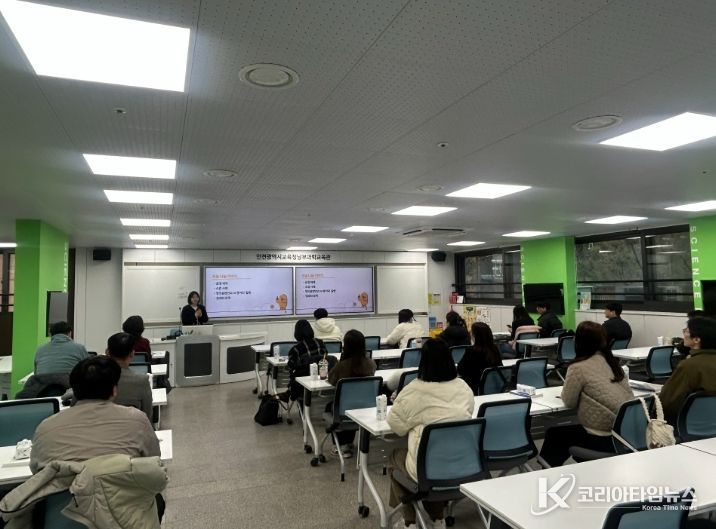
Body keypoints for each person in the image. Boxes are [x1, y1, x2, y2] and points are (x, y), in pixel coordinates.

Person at [387, 339, 474, 528]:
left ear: (423, 362)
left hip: (427, 469)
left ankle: (409, 522)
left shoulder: (414, 390)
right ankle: (437, 518)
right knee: (434, 461)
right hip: (464, 463)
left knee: (396, 458)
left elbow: (396, 426)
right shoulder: (463, 387)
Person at [30, 356, 160, 473]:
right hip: (123, 491)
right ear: (114, 390)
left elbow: (36, 471)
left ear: (74, 391)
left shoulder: (45, 428)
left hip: (63, 492)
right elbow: (153, 462)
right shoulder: (137, 420)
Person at [538, 321, 634, 467]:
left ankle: (548, 473)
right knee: (567, 431)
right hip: (627, 435)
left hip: (605, 438)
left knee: (554, 434)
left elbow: (569, 402)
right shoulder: (613, 364)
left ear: (579, 342)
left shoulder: (578, 367)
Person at [326, 330, 377, 458]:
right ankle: (348, 443)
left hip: (344, 412)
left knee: (332, 406)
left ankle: (341, 445)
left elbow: (331, 380)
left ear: (346, 347)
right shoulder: (371, 363)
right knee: (352, 403)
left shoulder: (341, 366)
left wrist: (341, 360)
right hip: (366, 409)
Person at [659, 316, 716, 425]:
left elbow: (667, 402)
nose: (684, 333)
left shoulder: (688, 366)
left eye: (687, 331)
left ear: (696, 340)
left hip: (691, 425)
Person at [17, 321, 90, 398]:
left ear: (51, 334)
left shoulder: (40, 350)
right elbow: (87, 371)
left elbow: (36, 372)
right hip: (68, 389)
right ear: (69, 333)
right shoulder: (79, 348)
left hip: (41, 391)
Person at [106, 332, 154, 421]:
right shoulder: (141, 380)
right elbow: (147, 415)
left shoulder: (94, 378)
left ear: (107, 352)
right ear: (132, 353)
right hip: (133, 427)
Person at [285, 320, 330, 401]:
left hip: (302, 387)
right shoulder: (320, 343)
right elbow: (326, 358)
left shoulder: (295, 350)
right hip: (323, 384)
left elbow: (290, 367)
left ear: (297, 333)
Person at [457, 322, 503, 395]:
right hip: (496, 388)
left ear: (475, 336)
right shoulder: (494, 349)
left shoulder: (471, 351)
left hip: (475, 389)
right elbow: (500, 367)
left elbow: (460, 370)